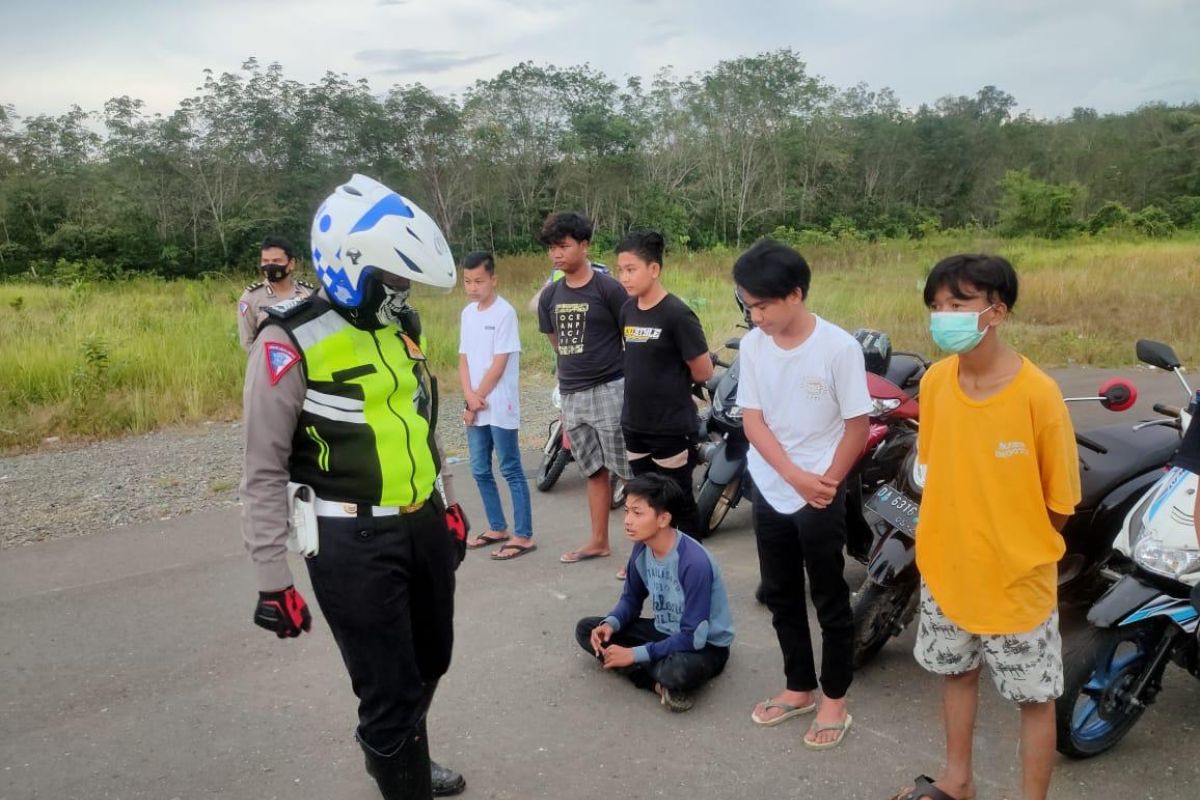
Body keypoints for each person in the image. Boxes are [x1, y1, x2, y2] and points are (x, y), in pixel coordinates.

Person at [240, 174, 468, 799]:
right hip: (349, 538)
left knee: (431, 661)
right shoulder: (287, 340)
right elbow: (261, 468)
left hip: (420, 519)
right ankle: (400, 763)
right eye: (393, 279)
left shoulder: (401, 326)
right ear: (350, 266)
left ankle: (395, 753)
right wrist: (271, 578)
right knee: (388, 685)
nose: (404, 292)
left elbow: (421, 423)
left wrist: (447, 504)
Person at [889, 255, 1081, 800]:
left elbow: (1060, 502)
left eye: (958, 304)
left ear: (996, 312)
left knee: (1034, 699)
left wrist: (1014, 544)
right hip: (947, 570)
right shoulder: (936, 382)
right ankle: (957, 780)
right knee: (956, 674)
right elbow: (936, 471)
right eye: (935, 306)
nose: (942, 316)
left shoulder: (1037, 394)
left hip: (1016, 581)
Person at [733, 240, 872, 750]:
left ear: (795, 294)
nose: (756, 315)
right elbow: (752, 418)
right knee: (780, 594)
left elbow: (857, 427)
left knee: (830, 595)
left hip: (820, 489)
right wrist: (789, 474)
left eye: (763, 305)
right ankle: (799, 687)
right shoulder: (753, 345)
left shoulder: (837, 348)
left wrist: (826, 483)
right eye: (749, 305)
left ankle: (835, 696)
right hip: (773, 484)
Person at [574, 473, 734, 711]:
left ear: (663, 519)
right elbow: (631, 600)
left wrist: (634, 655)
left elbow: (693, 637)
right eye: (627, 511)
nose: (628, 520)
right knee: (587, 630)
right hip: (664, 630)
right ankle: (659, 686)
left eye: (637, 513)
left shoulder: (694, 562)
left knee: (677, 671)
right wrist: (611, 624)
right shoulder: (642, 549)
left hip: (704, 645)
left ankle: (652, 676)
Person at [536, 211, 632, 564]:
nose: (557, 255)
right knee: (593, 471)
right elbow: (556, 342)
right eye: (552, 248)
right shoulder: (550, 297)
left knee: (628, 471)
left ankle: (644, 553)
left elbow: (630, 336)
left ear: (585, 245)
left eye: (563, 246)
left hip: (610, 389)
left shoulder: (608, 288)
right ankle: (598, 541)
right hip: (572, 395)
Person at [616, 231, 712, 582]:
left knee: (677, 501)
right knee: (641, 500)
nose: (624, 277)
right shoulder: (627, 310)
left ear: (654, 268)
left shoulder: (677, 313)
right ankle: (643, 565)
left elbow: (703, 370)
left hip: (671, 426)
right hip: (635, 423)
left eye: (631, 269)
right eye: (620, 270)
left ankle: (694, 567)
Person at [457, 251, 535, 560]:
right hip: (475, 403)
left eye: (479, 281)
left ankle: (524, 534)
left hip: (499, 404)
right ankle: (497, 526)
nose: (473, 287)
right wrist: (469, 397)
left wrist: (476, 399)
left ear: (493, 279)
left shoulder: (505, 313)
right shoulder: (467, 314)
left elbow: (499, 363)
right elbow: (463, 358)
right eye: (467, 281)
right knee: (478, 468)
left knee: (510, 468)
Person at [236, 235, 315, 352]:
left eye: (276, 261)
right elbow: (247, 342)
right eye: (265, 261)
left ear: (291, 263)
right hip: (270, 366)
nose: (270, 266)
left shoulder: (308, 292)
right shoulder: (250, 298)